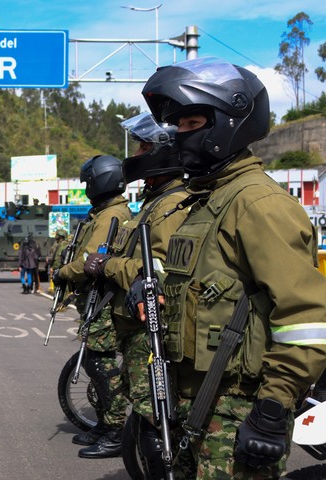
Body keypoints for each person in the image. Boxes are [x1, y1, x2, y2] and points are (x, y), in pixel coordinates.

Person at [134, 56, 326, 478]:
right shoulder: (203, 202)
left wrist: (273, 409)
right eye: (177, 126)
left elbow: (305, 318)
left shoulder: (259, 205)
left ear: (227, 123)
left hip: (238, 408)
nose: (179, 136)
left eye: (191, 124)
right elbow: (199, 283)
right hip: (187, 402)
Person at [77, 113, 189, 464]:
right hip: (135, 327)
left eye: (144, 146)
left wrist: (106, 264)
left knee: (155, 420)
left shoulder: (170, 207)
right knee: (144, 413)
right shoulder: (155, 202)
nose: (137, 152)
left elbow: (158, 270)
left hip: (150, 329)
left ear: (163, 153)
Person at [50, 155, 132, 458]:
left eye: (88, 182)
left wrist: (62, 273)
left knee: (102, 364)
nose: (86, 188)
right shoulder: (105, 213)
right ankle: (103, 423)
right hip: (96, 300)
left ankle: (115, 430)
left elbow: (89, 261)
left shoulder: (111, 215)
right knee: (94, 361)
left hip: (105, 303)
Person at [46, 229, 68, 293]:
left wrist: (53, 268)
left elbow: (58, 259)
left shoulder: (62, 245)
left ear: (60, 236)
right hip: (63, 268)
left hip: (59, 269)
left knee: (59, 288)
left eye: (57, 235)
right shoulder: (63, 244)